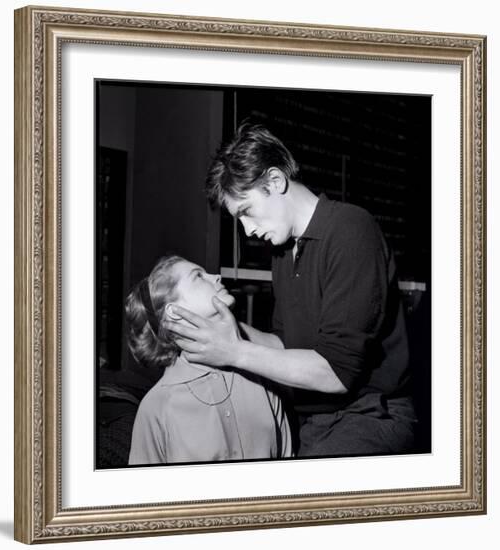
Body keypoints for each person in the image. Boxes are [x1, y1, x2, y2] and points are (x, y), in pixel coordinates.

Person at [163, 122, 417, 457]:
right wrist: (218, 330)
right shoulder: (284, 253)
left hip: (371, 416)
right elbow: (285, 344)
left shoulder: (351, 231)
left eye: (247, 212)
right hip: (316, 420)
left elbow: (335, 373)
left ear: (275, 181)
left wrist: (234, 351)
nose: (248, 230)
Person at [125, 255, 292, 465]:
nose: (217, 276)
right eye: (198, 276)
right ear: (174, 312)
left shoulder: (261, 379)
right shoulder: (157, 407)